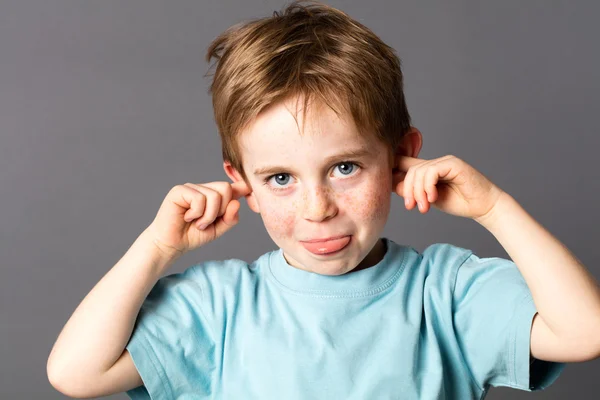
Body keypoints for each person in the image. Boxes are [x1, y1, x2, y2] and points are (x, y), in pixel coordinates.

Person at [47, 1, 600, 399]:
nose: (317, 208)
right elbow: (75, 374)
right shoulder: (218, 306)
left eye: (344, 168)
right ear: (244, 184)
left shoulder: (446, 292)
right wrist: (157, 247)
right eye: (281, 178)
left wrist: (493, 208)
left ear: (400, 158)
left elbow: (585, 333)